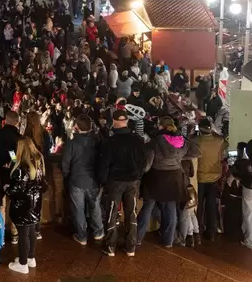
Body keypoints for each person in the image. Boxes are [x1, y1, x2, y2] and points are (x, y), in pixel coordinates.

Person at [136, 116, 201, 249]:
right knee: (170, 209)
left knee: (147, 208)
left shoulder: (155, 142)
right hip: (174, 178)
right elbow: (197, 152)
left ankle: (137, 238)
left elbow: (147, 166)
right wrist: (179, 156)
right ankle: (168, 241)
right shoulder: (181, 141)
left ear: (160, 126)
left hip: (156, 178)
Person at [97, 109, 145, 257]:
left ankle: (110, 246)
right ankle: (131, 246)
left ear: (115, 122)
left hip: (115, 182)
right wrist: (138, 176)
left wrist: (103, 181)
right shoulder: (138, 140)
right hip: (132, 181)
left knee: (112, 212)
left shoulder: (110, 142)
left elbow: (103, 164)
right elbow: (143, 162)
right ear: (126, 122)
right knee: (131, 213)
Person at [61, 114, 103, 245]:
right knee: (95, 206)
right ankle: (98, 231)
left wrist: (67, 175)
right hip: (94, 180)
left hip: (77, 180)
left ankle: (82, 235)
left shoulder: (72, 143)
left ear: (76, 127)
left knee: (78, 209)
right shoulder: (97, 141)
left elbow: (65, 163)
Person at [7, 138, 46, 274]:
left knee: (23, 233)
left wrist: (7, 188)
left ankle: (23, 264)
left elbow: (17, 189)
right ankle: (30, 258)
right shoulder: (38, 162)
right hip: (35, 202)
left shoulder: (21, 167)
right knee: (31, 230)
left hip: (23, 204)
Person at [195, 117, 227, 242]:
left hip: (200, 177)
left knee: (199, 206)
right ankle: (212, 232)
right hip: (214, 177)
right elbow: (226, 143)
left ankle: (197, 230)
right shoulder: (218, 141)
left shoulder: (196, 140)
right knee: (211, 206)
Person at [0, 111, 21, 243]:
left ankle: (1, 234)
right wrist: (12, 161)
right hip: (13, 174)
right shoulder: (18, 137)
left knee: (1, 205)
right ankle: (15, 233)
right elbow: (14, 155)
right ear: (17, 122)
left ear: (5, 120)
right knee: (14, 203)